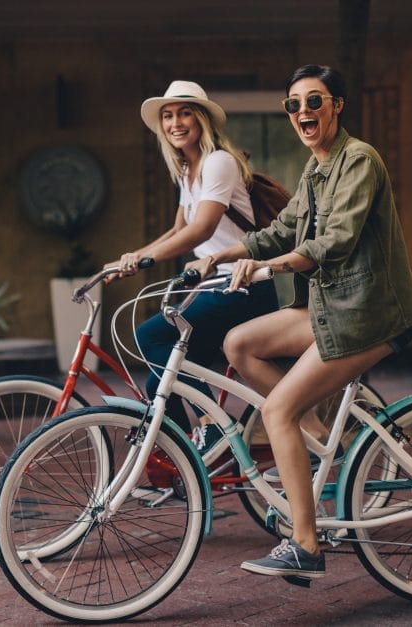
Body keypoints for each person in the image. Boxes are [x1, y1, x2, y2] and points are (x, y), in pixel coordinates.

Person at [186, 64, 412, 580]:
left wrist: (269, 268)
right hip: (331, 308)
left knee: (276, 412)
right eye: (294, 104)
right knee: (239, 344)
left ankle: (306, 544)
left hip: (369, 314)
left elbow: (335, 241)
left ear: (338, 106)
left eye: (315, 101)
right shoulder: (315, 169)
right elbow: (282, 230)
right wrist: (221, 257)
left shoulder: (359, 160)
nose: (303, 112)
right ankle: (314, 433)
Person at [107, 80, 279, 449]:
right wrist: (132, 258)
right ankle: (183, 459)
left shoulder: (218, 162)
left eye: (184, 113)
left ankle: (213, 425)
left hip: (243, 285)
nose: (175, 122)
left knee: (150, 336)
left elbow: (202, 229)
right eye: (168, 116)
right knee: (158, 380)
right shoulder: (188, 170)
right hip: (215, 286)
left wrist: (147, 258)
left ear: (202, 119)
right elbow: (178, 229)